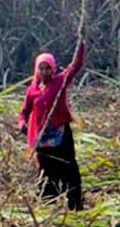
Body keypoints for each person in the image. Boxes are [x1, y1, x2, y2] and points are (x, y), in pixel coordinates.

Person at [18, 41, 87, 210]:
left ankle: (75, 205)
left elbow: (76, 65)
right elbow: (23, 112)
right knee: (47, 173)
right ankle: (48, 207)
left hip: (61, 135)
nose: (44, 72)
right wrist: (22, 124)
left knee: (68, 168)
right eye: (41, 68)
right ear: (36, 70)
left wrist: (81, 42)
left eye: (47, 68)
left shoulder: (60, 81)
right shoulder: (32, 90)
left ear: (53, 68)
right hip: (42, 140)